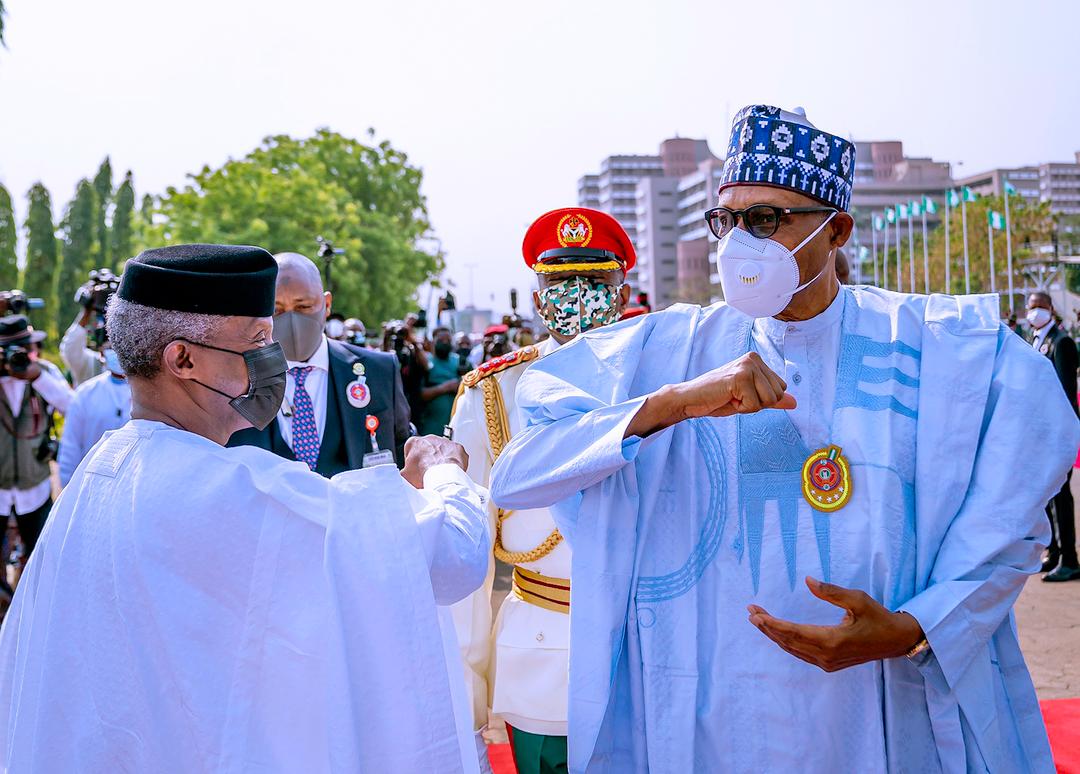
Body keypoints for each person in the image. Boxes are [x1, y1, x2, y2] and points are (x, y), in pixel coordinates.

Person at [490, 105, 1080, 772]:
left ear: (836, 233)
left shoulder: (935, 344)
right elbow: (518, 474)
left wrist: (921, 626)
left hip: (879, 703)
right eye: (729, 220)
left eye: (767, 219)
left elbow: (1023, 483)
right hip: (714, 712)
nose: (742, 241)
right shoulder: (665, 350)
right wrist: (670, 405)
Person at [0, 244, 490, 772]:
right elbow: (450, 558)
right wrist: (442, 468)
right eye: (257, 341)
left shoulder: (102, 471)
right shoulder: (235, 490)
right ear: (183, 359)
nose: (275, 355)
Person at [450, 207, 631, 774]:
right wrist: (468, 688)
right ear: (537, 297)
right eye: (560, 282)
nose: (579, 296)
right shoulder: (494, 393)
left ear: (623, 291)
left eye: (596, 282)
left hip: (645, 643)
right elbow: (465, 556)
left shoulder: (660, 378)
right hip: (542, 650)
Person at [229, 252, 411, 472]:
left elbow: (403, 450)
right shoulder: (235, 378)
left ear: (326, 304)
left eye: (303, 307)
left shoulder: (379, 371)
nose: (291, 320)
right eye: (276, 310)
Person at [0, 315, 72, 563]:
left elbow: (72, 407)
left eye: (24, 349)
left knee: (41, 559)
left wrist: (36, 378)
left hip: (36, 487)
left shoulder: (44, 372)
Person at [1027, 290, 1079, 581]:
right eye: (1031, 306)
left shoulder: (1062, 342)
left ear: (1050, 309)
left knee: (1060, 495)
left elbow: (1064, 394)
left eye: (1040, 306)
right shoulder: (1036, 342)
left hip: (1056, 432)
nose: (1035, 311)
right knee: (1049, 495)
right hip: (1041, 431)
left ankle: (1070, 559)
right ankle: (1056, 552)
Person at [57, 337, 131, 487]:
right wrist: (68, 486)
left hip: (130, 483)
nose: (115, 353)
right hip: (91, 483)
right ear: (101, 353)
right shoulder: (86, 393)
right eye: (110, 347)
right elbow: (71, 446)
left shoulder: (149, 394)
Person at [420, 326, 461, 436]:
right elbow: (419, 394)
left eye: (448, 340)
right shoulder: (425, 361)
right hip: (431, 426)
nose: (445, 343)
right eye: (441, 340)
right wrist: (444, 388)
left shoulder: (459, 361)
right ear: (433, 341)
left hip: (456, 426)